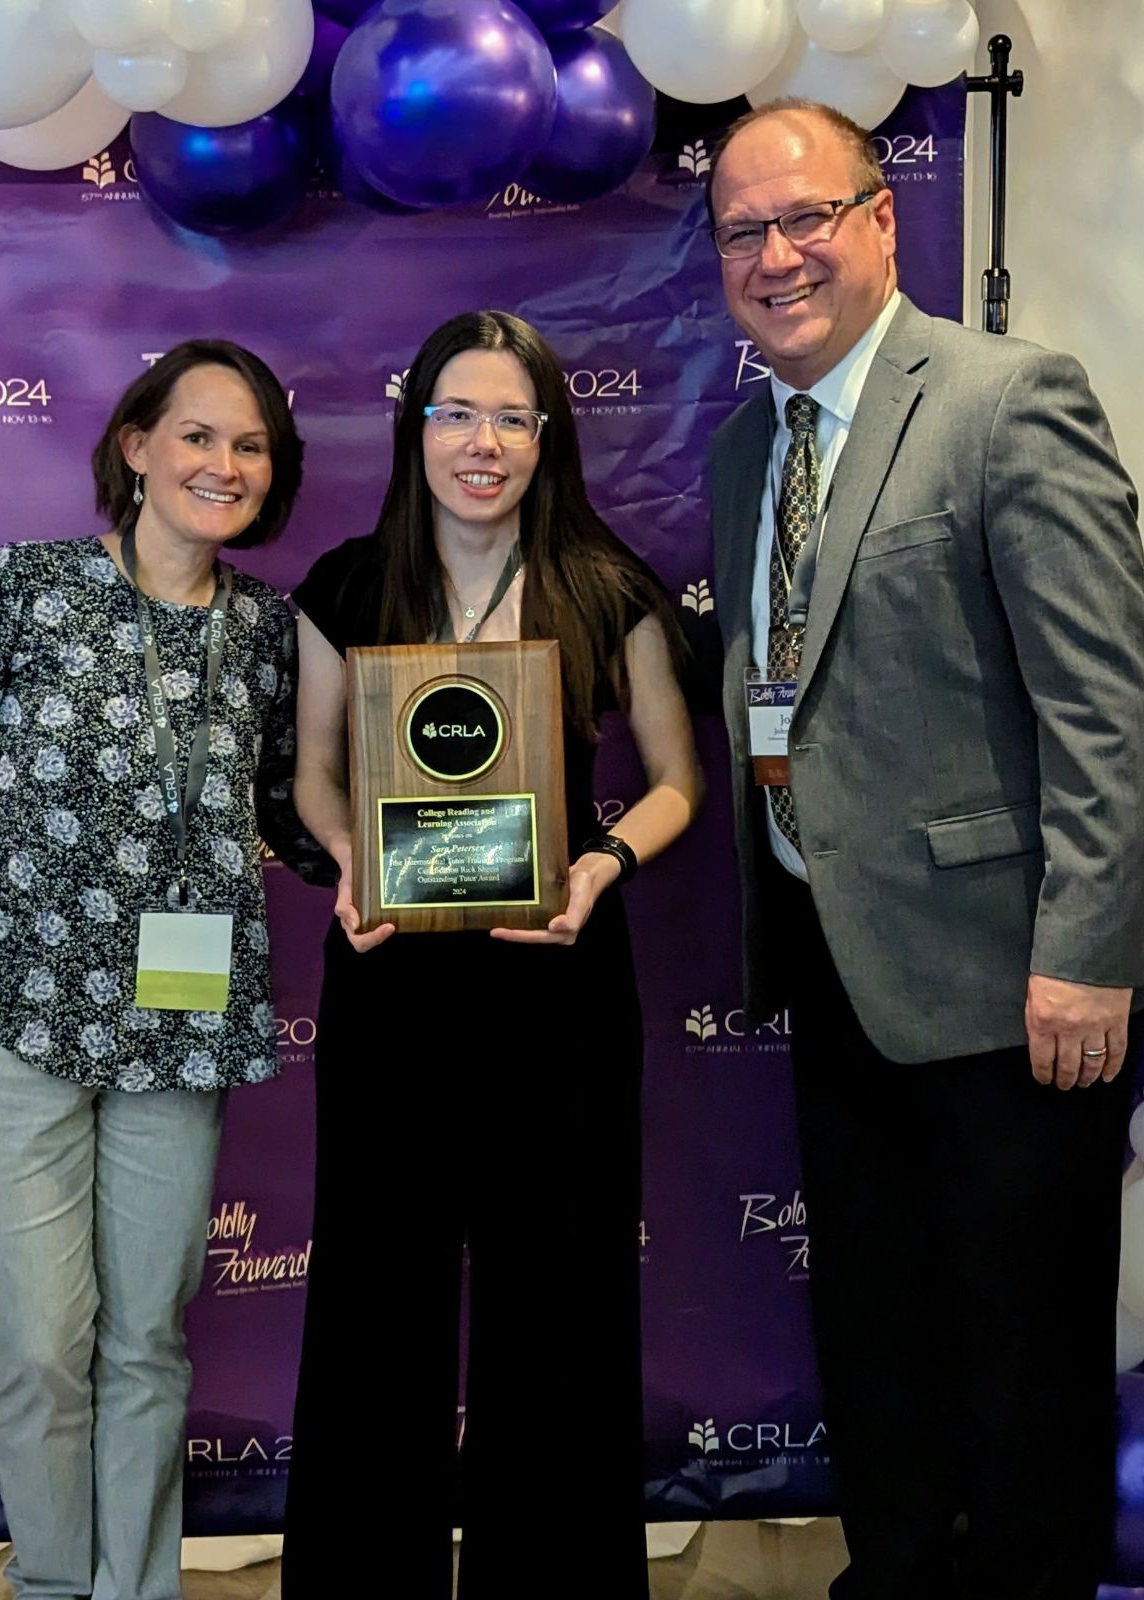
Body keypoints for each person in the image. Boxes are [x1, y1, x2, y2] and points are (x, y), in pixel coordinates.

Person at [704, 98, 1144, 1598]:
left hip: (1010, 994)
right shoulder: (740, 454)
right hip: (833, 973)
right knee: (879, 1343)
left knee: (1022, 1365)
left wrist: (1083, 958)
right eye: (740, 232)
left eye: (804, 217)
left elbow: (1103, 702)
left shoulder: (1000, 398)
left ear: (879, 218)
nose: (773, 256)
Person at [0, 339, 327, 1600]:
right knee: (34, 1341)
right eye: (195, 435)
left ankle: (138, 1591)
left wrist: (415, 861)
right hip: (16, 1009)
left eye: (247, 447)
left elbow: (294, 813)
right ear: (135, 446)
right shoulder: (24, 589)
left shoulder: (272, 634)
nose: (220, 464)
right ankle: (55, 1588)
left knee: (146, 1341)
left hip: (181, 1025)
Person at [280, 310, 703, 1600]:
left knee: (558, 1307)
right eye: (456, 413)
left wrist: (601, 863)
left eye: (511, 418)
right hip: (391, 976)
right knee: (375, 1302)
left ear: (546, 437)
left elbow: (679, 779)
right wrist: (350, 854)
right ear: (416, 432)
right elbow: (310, 776)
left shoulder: (603, 584)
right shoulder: (347, 587)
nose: (482, 442)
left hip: (556, 977)